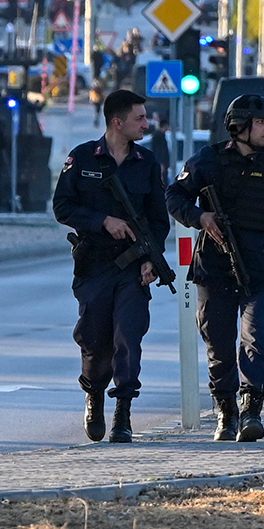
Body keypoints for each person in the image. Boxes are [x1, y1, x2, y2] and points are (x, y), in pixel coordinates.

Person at [166, 94, 264, 442]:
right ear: (240, 126)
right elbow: (175, 196)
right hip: (214, 266)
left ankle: (252, 409)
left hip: (263, 268)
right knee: (218, 345)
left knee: (256, 338)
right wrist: (200, 216)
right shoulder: (207, 161)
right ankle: (226, 413)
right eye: (261, 122)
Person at [53, 89, 170, 444]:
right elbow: (62, 207)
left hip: (133, 267)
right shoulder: (83, 157)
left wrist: (152, 258)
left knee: (128, 337)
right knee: (94, 339)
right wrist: (102, 220)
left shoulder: (147, 163)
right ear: (117, 123)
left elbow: (157, 219)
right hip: (94, 265)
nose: (146, 124)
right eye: (139, 118)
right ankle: (94, 395)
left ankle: (123, 413)